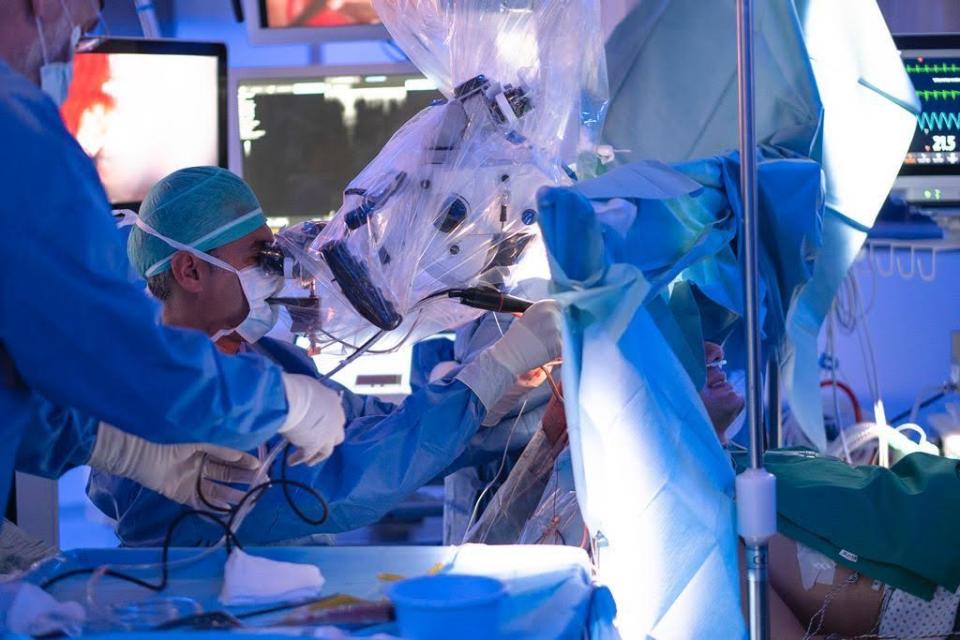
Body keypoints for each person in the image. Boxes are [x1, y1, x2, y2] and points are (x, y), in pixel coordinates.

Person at [0, 0, 353, 517]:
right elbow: (119, 359)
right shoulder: (18, 135)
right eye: (80, 30)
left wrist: (116, 447)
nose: (69, 54)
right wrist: (282, 401)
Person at [84, 166, 564, 546]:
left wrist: (487, 401)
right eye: (259, 256)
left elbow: (376, 425)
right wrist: (491, 370)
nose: (277, 272)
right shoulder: (164, 395)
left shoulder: (264, 358)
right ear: (190, 270)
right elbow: (343, 479)